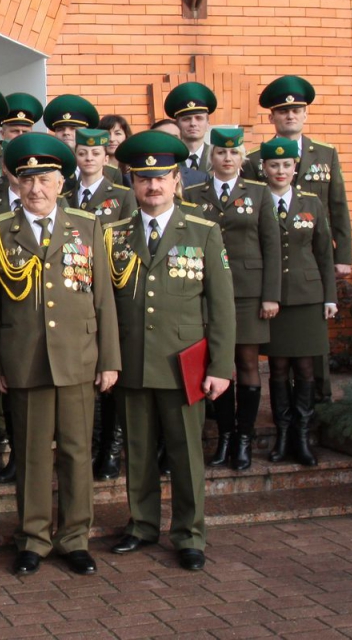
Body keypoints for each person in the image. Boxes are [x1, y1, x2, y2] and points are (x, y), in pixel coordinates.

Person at [0, 134, 119, 577]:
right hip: (24, 359)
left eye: (45, 180)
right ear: (16, 184)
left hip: (78, 356)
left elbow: (103, 298)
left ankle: (75, 538)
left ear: (62, 183)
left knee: (77, 452)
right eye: (27, 180)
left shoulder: (87, 226)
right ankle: (33, 538)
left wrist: (109, 359)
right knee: (32, 454)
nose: (36, 189)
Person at [103, 130, 235, 572]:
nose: (153, 186)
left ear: (176, 180)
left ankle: (189, 534)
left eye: (161, 177)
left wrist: (221, 366)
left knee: (186, 454)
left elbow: (222, 306)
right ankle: (142, 525)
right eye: (144, 179)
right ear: (132, 183)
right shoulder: (114, 235)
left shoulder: (203, 231)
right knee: (138, 451)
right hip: (133, 362)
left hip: (184, 364)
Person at [183, 128, 281, 471]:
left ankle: (244, 439)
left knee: (248, 363)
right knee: (218, 362)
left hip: (248, 292)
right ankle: (225, 436)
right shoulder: (194, 193)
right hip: (207, 291)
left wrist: (271, 295)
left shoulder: (258, 192)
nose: (227, 158)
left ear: (242, 157)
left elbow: (271, 245)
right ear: (211, 157)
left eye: (234, 152)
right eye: (221, 153)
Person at [260, 137, 336, 467]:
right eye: (274, 164)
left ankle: (302, 437)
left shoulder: (311, 202)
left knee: (305, 367)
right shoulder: (257, 200)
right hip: (272, 297)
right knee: (277, 367)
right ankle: (282, 435)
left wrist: (330, 296)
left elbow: (324, 252)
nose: (280, 170)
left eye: (286, 165)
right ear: (264, 168)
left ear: (296, 167)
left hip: (308, 296)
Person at [65, 127, 134, 482]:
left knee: (110, 376)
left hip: (112, 292)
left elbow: (128, 244)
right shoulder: (65, 194)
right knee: (85, 377)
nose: (88, 159)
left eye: (95, 153)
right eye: (82, 153)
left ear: (106, 157)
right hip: (75, 293)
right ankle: (90, 448)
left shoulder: (122, 195)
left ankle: (111, 449)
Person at [243, 75, 352, 281]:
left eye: (296, 111)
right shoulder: (253, 159)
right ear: (271, 118)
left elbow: (338, 206)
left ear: (305, 115)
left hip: (317, 249)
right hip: (270, 250)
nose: (290, 116)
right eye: (283, 111)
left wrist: (344, 255)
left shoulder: (326, 154)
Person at [164, 82, 217, 174]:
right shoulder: (168, 158)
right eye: (186, 119)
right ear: (177, 125)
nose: (193, 123)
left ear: (208, 124)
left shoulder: (218, 156)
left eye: (199, 118)